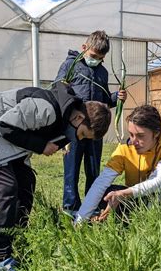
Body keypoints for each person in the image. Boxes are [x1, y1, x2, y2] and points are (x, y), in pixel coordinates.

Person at [0, 82, 111, 271]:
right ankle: (1, 258)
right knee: (6, 188)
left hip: (0, 138)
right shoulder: (48, 108)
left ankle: (16, 237)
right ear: (78, 118)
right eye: (83, 134)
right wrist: (41, 146)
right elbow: (6, 126)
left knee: (26, 182)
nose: (80, 139)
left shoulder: (64, 115)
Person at [54, 30, 127, 214]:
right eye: (94, 56)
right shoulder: (70, 65)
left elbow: (103, 100)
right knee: (72, 169)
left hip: (95, 129)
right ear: (84, 48)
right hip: (74, 128)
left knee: (93, 170)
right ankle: (70, 207)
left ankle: (91, 204)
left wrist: (116, 98)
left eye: (100, 58)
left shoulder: (102, 71)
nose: (96, 60)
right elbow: (59, 90)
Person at [74, 105, 161, 224]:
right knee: (106, 195)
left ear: (156, 133)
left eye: (140, 136)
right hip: (134, 194)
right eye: (131, 134)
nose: (133, 141)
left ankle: (132, 217)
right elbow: (102, 181)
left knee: (158, 202)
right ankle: (126, 215)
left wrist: (125, 194)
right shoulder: (125, 146)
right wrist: (79, 222)